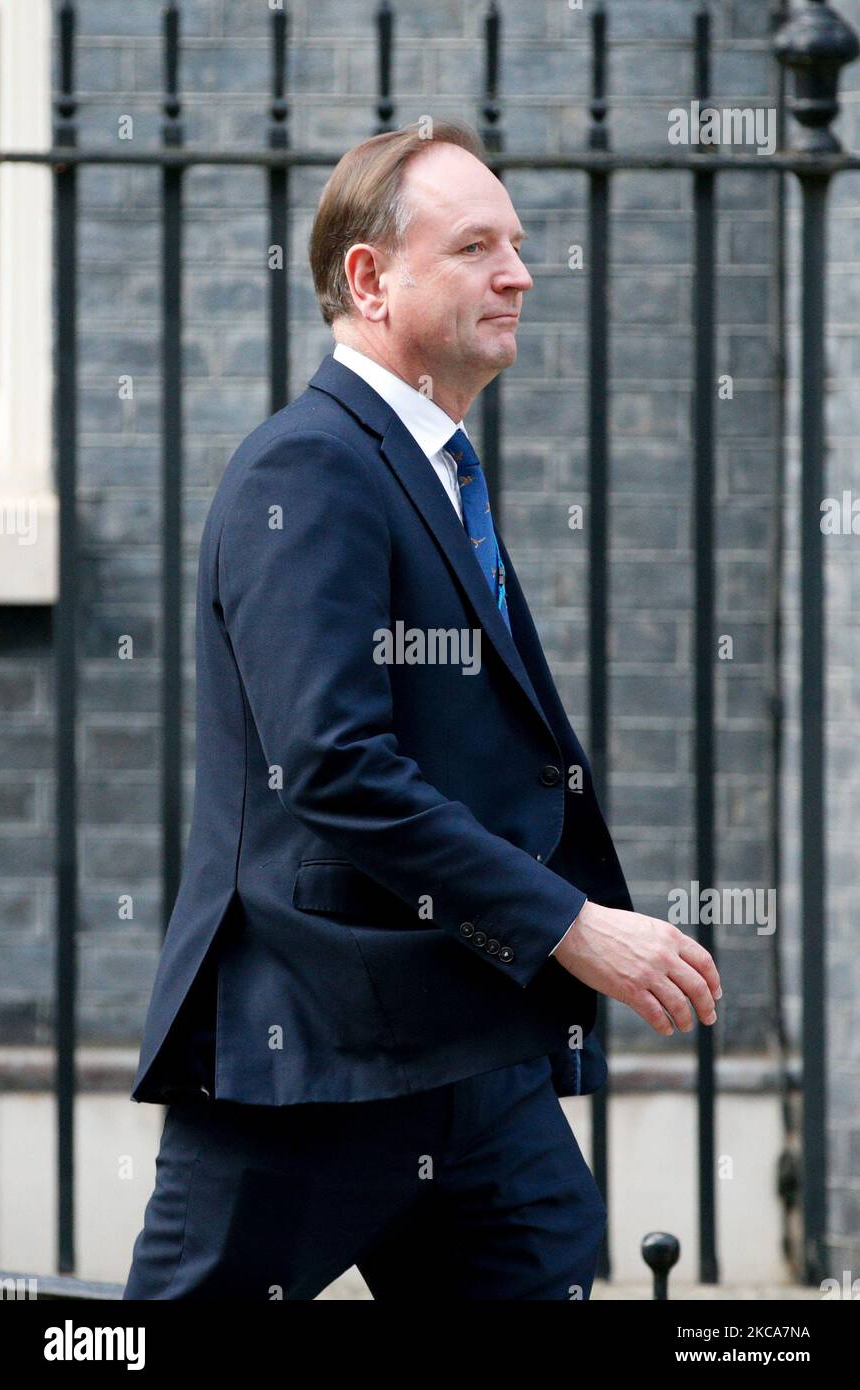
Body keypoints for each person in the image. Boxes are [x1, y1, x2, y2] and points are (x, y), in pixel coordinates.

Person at [123, 118, 721, 1301]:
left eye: (518, 242)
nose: (520, 272)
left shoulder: (431, 470)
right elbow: (333, 766)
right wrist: (571, 924)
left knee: (544, 1268)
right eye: (475, 246)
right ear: (369, 279)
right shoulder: (311, 469)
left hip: (465, 1036)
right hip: (322, 1045)